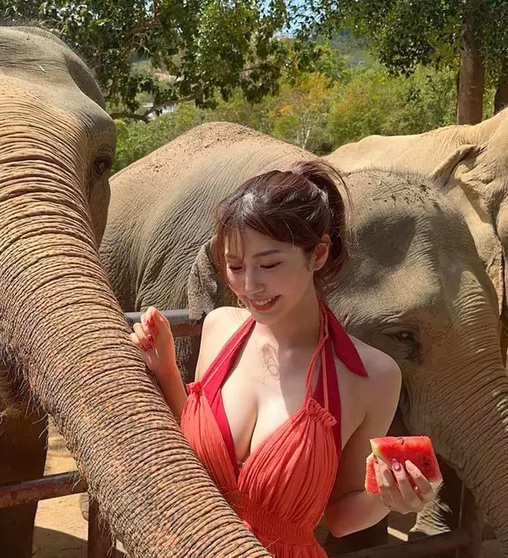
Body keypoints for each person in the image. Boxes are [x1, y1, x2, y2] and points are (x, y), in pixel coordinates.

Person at [130, 160, 435, 557]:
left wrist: (388, 499)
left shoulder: (371, 376)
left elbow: (341, 517)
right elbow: (194, 449)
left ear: (319, 254)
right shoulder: (220, 328)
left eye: (270, 264)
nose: (250, 286)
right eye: (235, 267)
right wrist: (167, 369)